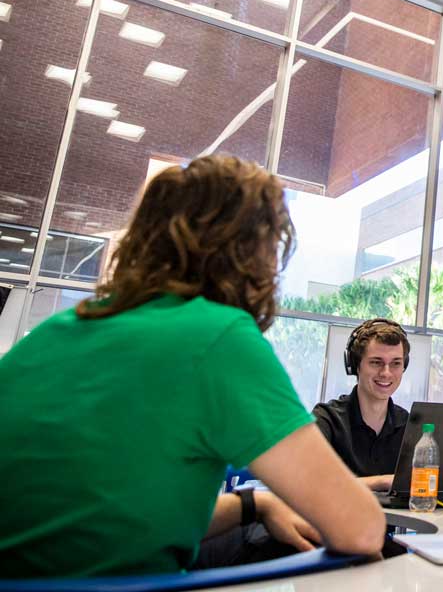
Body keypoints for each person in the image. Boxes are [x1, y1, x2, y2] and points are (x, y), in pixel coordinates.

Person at [0, 155, 384, 578]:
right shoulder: (217, 336)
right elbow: (361, 530)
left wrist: (254, 504)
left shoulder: (59, 330)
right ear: (250, 254)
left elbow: (108, 512)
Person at [313, 318, 411, 491]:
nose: (386, 373)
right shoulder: (327, 419)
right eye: (376, 362)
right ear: (355, 365)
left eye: (396, 363)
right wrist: (382, 482)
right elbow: (311, 481)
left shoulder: (410, 425)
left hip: (397, 519)